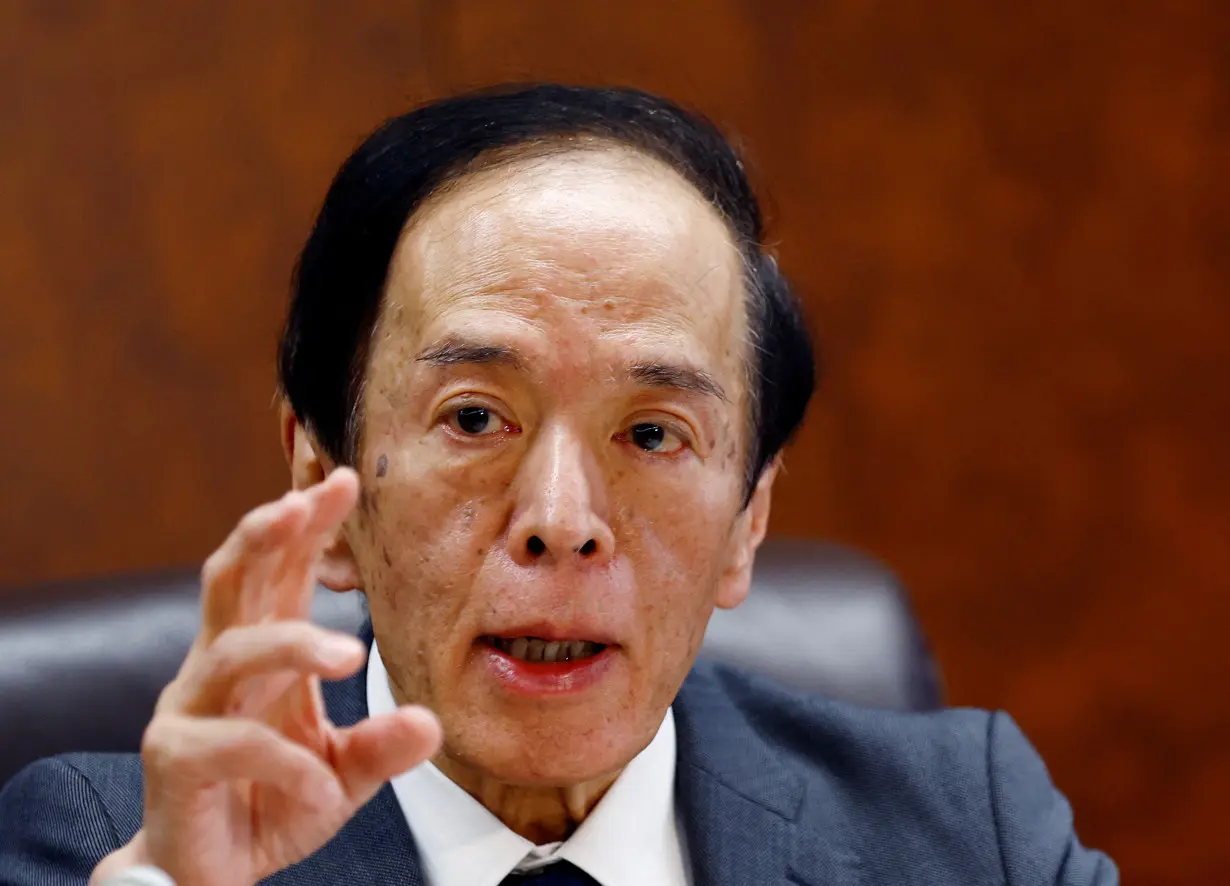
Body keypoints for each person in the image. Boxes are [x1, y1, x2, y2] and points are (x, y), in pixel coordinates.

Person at [0, 84, 1117, 886]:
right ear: (322, 480)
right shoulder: (110, 839)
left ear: (749, 522)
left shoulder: (971, 827)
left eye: (651, 431)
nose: (562, 523)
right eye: (476, 417)